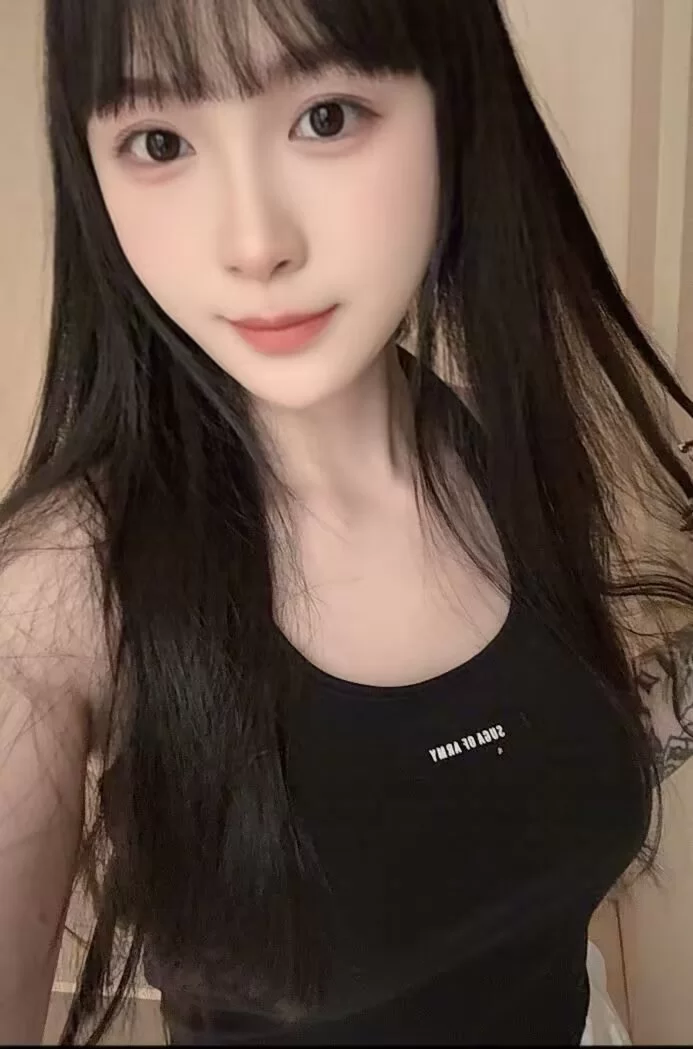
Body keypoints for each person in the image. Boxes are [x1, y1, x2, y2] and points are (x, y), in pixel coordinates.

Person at [1, 0, 693, 1044]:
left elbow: (525, 778)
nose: (254, 244)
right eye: (159, 142)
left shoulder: (499, 449)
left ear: (453, 107)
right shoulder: (55, 593)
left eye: (325, 116)